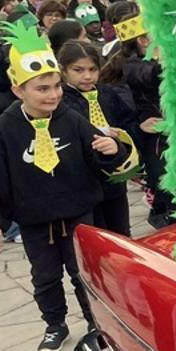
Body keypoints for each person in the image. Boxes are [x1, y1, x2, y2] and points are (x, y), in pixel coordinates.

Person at [0, 21, 128, 351]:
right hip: (35, 219)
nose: (52, 94)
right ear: (18, 90)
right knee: (45, 278)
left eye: (55, 86)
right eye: (41, 88)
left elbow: (98, 159)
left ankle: (97, 323)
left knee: (84, 273)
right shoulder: (4, 128)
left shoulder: (70, 118)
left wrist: (114, 152)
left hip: (79, 211)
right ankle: (55, 324)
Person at [104, 1, 175, 229]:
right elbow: (152, 74)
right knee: (169, 194)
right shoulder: (133, 66)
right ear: (144, 40)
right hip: (157, 144)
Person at [57, 41, 139, 235]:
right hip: (84, 184)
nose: (87, 76)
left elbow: (127, 121)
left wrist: (128, 134)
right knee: (95, 237)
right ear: (63, 70)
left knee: (121, 234)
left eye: (93, 69)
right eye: (78, 70)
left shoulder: (107, 94)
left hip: (114, 180)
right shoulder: (61, 102)